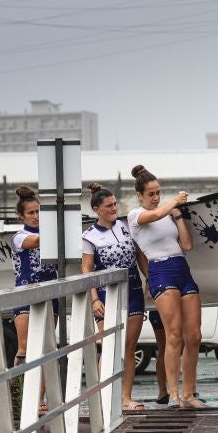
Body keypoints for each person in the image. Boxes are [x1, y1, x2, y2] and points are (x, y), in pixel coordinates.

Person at [127, 165, 203, 409]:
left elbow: (188, 245)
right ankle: (173, 394)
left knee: (194, 335)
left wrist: (178, 215)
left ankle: (189, 394)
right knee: (174, 334)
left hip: (182, 268)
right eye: (151, 193)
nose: (156, 197)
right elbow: (156, 215)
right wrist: (173, 202)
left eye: (158, 192)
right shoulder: (135, 215)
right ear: (140, 195)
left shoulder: (168, 212)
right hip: (161, 270)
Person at [82, 183, 154, 411]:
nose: (114, 209)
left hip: (132, 292)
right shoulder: (89, 236)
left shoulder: (125, 226)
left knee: (129, 347)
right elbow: (86, 269)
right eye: (109, 206)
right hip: (105, 296)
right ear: (96, 209)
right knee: (109, 346)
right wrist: (94, 298)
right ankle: (103, 398)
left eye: (115, 204)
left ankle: (125, 397)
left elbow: (140, 255)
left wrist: (149, 279)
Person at [9, 186, 59, 413]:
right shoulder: (19, 237)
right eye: (31, 213)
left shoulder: (52, 232)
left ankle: (39, 399)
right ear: (21, 216)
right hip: (26, 295)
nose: (36, 216)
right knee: (26, 348)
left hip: (50, 294)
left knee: (47, 349)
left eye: (39, 212)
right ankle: (18, 395)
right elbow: (36, 241)